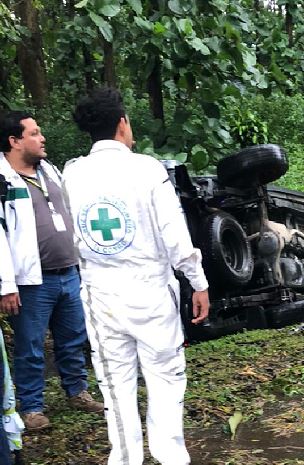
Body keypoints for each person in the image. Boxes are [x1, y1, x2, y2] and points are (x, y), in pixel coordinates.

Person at [66, 88, 210, 465]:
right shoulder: (147, 169)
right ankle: (170, 458)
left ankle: (126, 459)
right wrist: (198, 282)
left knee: (115, 388)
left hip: (101, 298)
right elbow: (176, 238)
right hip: (151, 295)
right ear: (122, 123)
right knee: (164, 379)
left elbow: (71, 236)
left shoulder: (73, 173)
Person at [0, 111, 104, 431]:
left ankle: (78, 391)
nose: (42, 138)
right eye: (34, 133)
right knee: (30, 346)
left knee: (73, 337)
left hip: (69, 271)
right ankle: (31, 407)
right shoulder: (3, 180)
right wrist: (6, 285)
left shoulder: (51, 171)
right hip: (32, 281)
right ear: (14, 141)